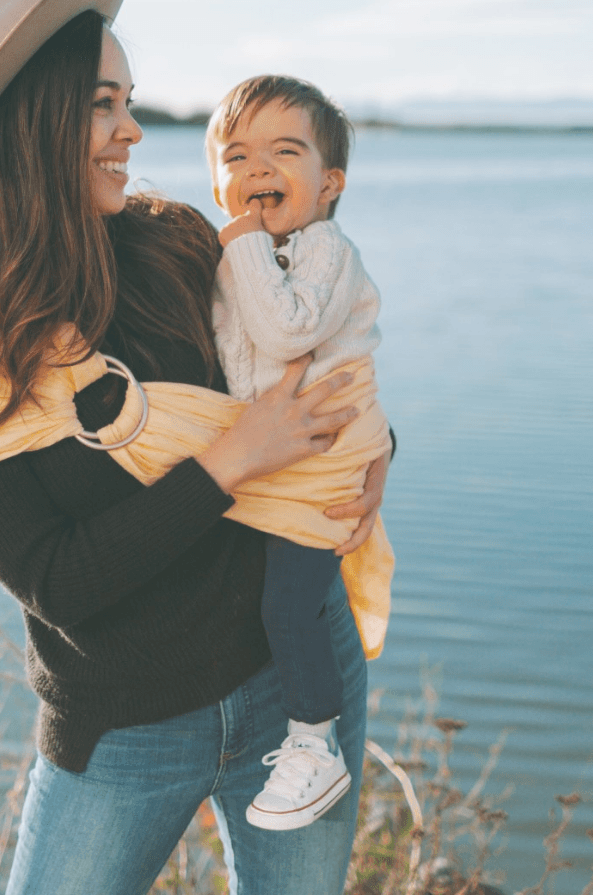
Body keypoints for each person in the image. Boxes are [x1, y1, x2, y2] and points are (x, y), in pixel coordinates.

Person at [0, 0, 386, 895]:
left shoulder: (177, 246)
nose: (133, 130)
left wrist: (380, 450)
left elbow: (317, 368)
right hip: (125, 729)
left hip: (299, 688)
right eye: (103, 105)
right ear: (32, 121)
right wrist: (231, 460)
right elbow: (60, 581)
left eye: (127, 100)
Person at [207, 76, 390, 832]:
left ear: (330, 182)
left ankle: (317, 744)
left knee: (289, 599)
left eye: (285, 152)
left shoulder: (325, 250)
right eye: (236, 154)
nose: (257, 170)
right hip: (279, 458)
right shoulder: (242, 251)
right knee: (268, 594)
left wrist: (243, 244)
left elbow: (287, 334)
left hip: (323, 461)